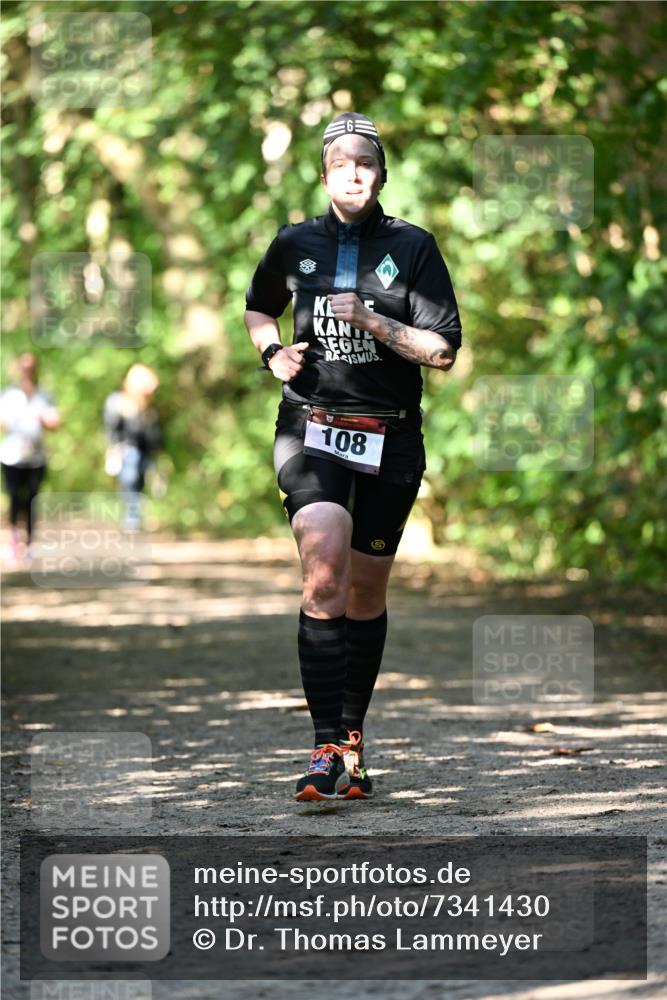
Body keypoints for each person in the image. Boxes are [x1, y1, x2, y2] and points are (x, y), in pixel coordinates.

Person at [244, 112, 462, 802]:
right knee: (323, 565)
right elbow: (258, 309)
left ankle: (353, 738)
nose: (353, 171)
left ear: (380, 173)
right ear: (324, 173)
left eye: (364, 161)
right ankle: (322, 746)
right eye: (339, 162)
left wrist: (372, 320)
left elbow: (443, 351)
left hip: (391, 433)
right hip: (311, 424)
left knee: (365, 591)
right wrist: (271, 353)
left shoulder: (413, 247)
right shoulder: (293, 242)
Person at [0, 353, 60, 564]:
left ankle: (31, 543)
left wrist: (45, 421)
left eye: (31, 367)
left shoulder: (44, 396)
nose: (27, 371)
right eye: (24, 367)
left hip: (36, 457)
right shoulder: (8, 395)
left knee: (33, 500)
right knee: (15, 498)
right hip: (12, 456)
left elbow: (55, 423)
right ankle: (13, 541)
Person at [103, 364, 161, 531]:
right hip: (127, 451)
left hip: (144, 453)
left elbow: (151, 435)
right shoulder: (118, 402)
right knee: (130, 482)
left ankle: (134, 520)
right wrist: (113, 449)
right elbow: (112, 429)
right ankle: (131, 521)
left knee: (139, 484)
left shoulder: (146, 407)